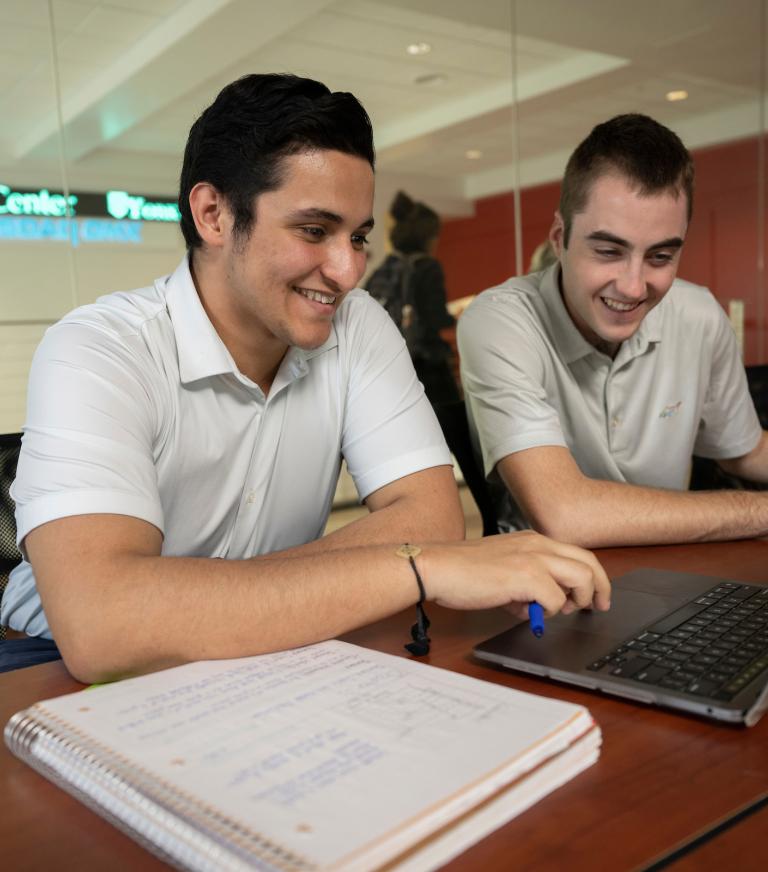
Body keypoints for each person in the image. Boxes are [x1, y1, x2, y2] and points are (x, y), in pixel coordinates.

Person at [0, 74, 609, 681]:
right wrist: (414, 567)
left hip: (278, 653)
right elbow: (106, 627)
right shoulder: (98, 350)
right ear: (213, 214)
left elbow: (433, 522)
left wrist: (228, 599)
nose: (347, 270)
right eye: (314, 231)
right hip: (55, 670)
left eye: (359, 237)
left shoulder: (357, 324)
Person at [459, 113, 768, 549]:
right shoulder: (500, 321)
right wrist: (759, 511)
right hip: (550, 585)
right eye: (608, 251)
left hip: (676, 576)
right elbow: (565, 515)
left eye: (660, 257)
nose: (633, 286)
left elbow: (745, 451)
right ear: (558, 238)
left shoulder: (698, 315)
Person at [366, 191, 459, 405]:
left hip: (390, 362)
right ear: (427, 237)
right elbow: (435, 318)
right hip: (426, 365)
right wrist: (457, 318)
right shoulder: (428, 267)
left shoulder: (387, 266)